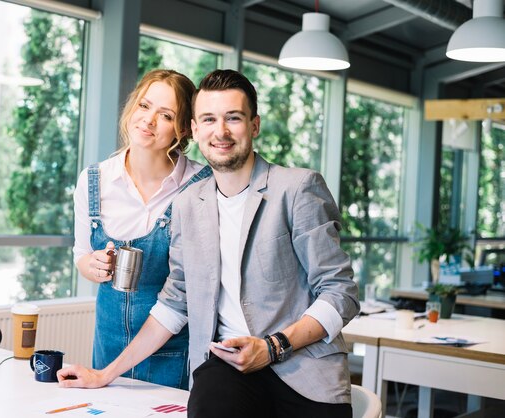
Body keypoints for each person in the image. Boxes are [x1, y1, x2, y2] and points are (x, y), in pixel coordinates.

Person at [61, 69, 360, 418]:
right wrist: (105, 374)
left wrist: (273, 347)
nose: (221, 131)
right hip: (227, 370)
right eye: (209, 119)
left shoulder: (296, 188)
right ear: (196, 129)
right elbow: (175, 303)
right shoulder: (188, 203)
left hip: (303, 370)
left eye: (233, 118)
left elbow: (341, 293)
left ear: (254, 125)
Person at [72, 69, 211, 390]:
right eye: (144, 106)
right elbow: (81, 254)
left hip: (173, 348)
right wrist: (91, 266)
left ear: (183, 129)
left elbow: (191, 289)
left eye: (165, 115)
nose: (148, 120)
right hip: (108, 346)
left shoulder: (201, 186)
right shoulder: (93, 180)